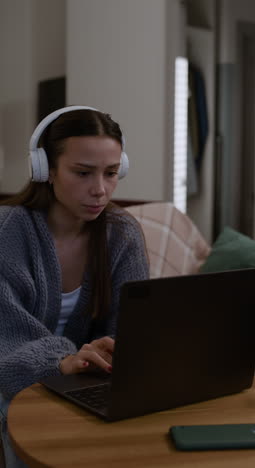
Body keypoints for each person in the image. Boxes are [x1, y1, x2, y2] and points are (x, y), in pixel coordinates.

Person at [0, 105, 149, 467]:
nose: (100, 190)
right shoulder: (9, 232)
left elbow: (132, 328)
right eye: (83, 173)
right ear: (45, 169)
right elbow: (7, 340)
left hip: (87, 382)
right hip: (14, 379)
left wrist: (110, 355)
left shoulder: (122, 234)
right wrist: (62, 362)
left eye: (111, 173)